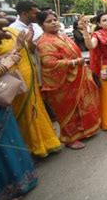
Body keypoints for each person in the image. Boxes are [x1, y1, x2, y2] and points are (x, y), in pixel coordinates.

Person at [0, 4, 61, 157]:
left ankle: (48, 142)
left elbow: (30, 50)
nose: (2, 16)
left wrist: (29, 43)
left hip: (31, 74)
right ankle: (34, 147)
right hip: (15, 79)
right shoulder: (1, 34)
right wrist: (17, 49)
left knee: (38, 109)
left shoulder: (12, 31)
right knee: (26, 113)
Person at [0, 46, 38, 200]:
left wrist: (7, 57)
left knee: (8, 139)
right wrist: (5, 65)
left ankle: (22, 180)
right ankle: (4, 191)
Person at [36, 11, 101, 149]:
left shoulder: (62, 36)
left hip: (78, 75)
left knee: (80, 105)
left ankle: (83, 131)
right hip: (63, 82)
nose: (54, 22)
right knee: (67, 110)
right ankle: (70, 138)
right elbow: (50, 63)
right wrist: (73, 63)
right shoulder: (44, 42)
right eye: (49, 21)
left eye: (55, 19)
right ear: (41, 25)